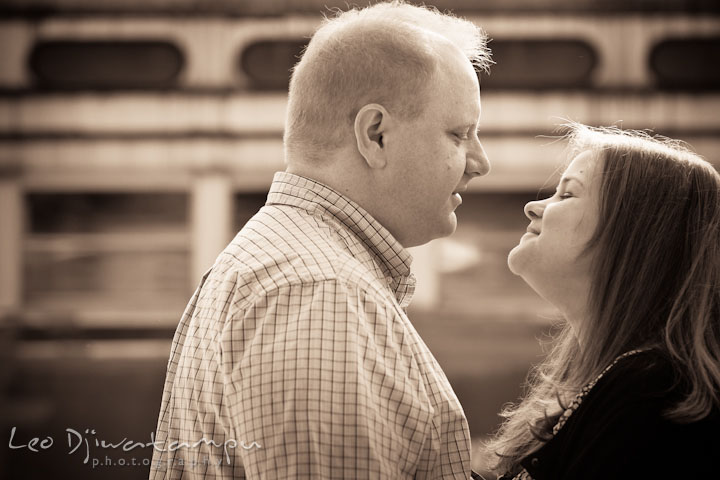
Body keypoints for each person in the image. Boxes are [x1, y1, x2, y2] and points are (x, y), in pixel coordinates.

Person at [150, 2, 492, 479]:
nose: (480, 162)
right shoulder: (321, 291)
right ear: (375, 135)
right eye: (459, 134)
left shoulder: (290, 266)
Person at [485, 123, 720, 479]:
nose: (533, 207)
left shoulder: (656, 393)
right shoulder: (631, 381)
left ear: (633, 234)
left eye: (567, 195)